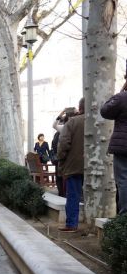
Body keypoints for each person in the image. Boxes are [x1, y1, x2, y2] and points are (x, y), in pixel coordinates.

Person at [57, 98, 85, 232]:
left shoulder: (73, 122)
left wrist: (61, 160)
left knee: (73, 195)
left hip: (74, 165)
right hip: (97, 166)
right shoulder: (103, 121)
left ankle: (72, 224)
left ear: (80, 108)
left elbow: (63, 144)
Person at [100, 81, 127, 215]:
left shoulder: (122, 98)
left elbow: (105, 111)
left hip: (123, 147)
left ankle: (124, 216)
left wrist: (121, 91)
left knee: (123, 180)